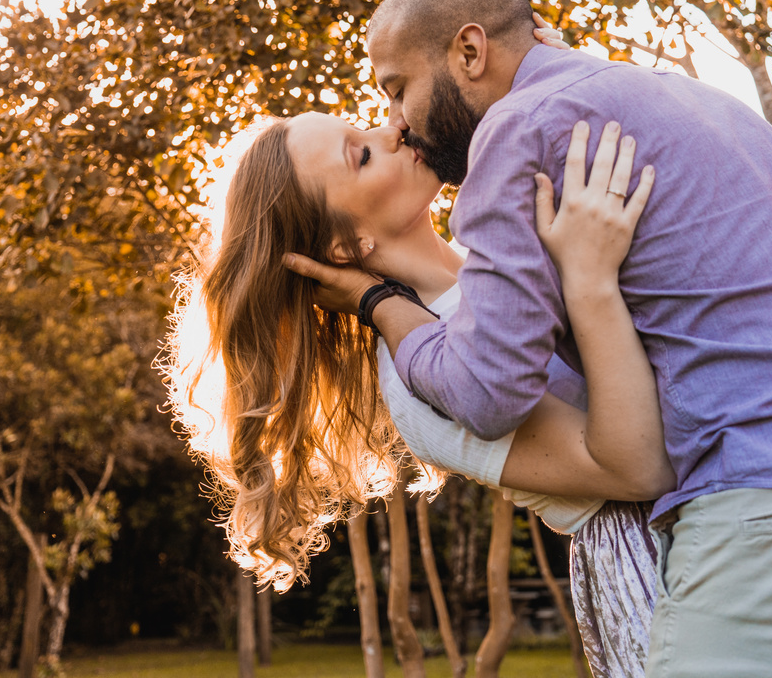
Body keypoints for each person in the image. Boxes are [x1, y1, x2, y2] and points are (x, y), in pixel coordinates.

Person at [284, 0, 772, 677]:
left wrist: (376, 305)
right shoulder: (693, 98)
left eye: (397, 88)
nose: (397, 122)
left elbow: (487, 391)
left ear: (469, 51)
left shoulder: (517, 130)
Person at [164, 108, 674, 676]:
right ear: (343, 245)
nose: (395, 131)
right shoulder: (417, 384)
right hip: (665, 578)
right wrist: (590, 277)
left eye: (368, 125)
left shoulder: (497, 248)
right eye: (361, 154)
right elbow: (637, 469)